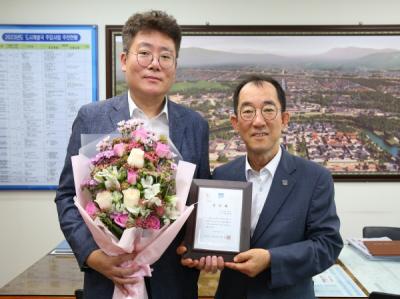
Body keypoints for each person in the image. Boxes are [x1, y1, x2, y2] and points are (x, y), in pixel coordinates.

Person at [55, 10, 210, 299]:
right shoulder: (92, 118)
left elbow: (200, 202)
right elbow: (66, 196)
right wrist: (91, 255)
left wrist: (202, 248)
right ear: (124, 60)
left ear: (175, 66)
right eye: (145, 53)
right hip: (108, 277)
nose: (155, 64)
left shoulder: (195, 125)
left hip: (174, 284)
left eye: (166, 56)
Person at [180, 74, 343, 299]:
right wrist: (205, 254)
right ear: (235, 123)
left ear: (285, 119)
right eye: (247, 111)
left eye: (268, 110)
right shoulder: (222, 175)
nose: (258, 121)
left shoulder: (315, 179)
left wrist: (271, 259)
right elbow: (213, 240)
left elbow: (328, 246)